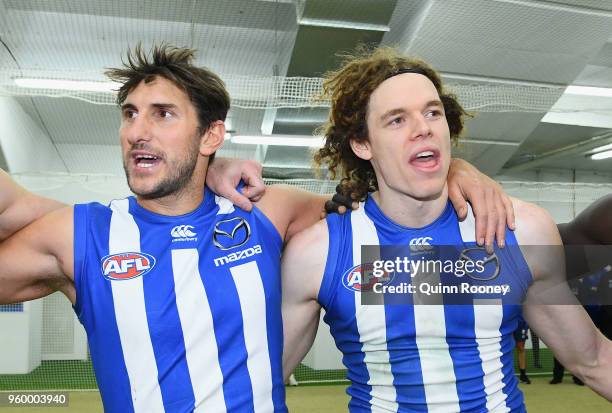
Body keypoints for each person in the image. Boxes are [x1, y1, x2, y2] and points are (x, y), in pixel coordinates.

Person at [0, 44, 511, 412]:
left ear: (211, 135)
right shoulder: (78, 233)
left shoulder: (265, 212)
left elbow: (378, 200)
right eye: (129, 114)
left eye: (162, 114)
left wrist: (455, 170)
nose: (137, 131)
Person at [281, 46, 612, 412]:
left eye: (432, 112)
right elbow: (262, 381)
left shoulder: (520, 231)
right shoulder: (316, 253)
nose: (422, 128)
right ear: (362, 144)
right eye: (397, 119)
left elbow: (593, 360)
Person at [513, 314, 531, 384]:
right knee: (506, 347)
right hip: (507, 322)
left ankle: (523, 375)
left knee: (521, 348)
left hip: (521, 323)